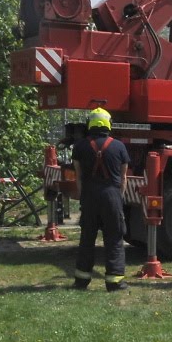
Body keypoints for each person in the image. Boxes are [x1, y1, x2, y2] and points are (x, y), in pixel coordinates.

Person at [71, 107, 131, 291]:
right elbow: (123, 178)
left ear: (90, 124)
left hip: (89, 195)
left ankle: (81, 280)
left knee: (87, 238)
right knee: (114, 239)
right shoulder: (119, 146)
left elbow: (78, 176)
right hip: (111, 196)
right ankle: (114, 282)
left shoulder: (79, 146)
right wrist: (118, 199)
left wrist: (83, 198)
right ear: (108, 124)